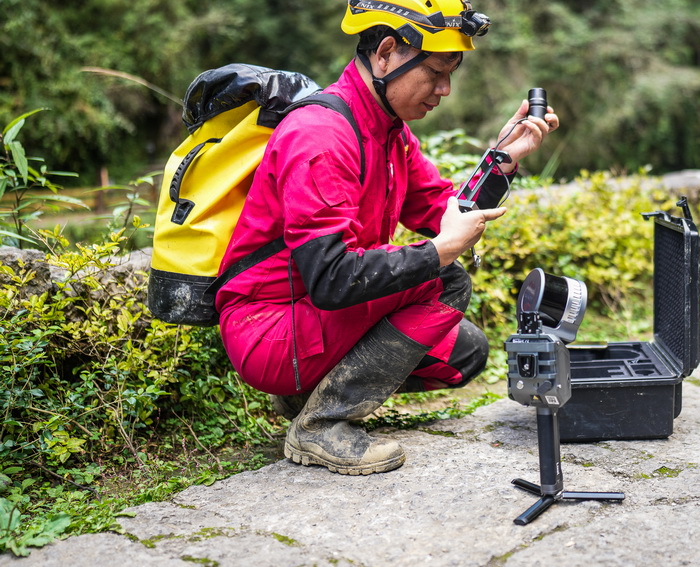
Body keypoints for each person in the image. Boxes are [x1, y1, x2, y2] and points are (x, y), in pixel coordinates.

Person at [214, 0, 558, 476]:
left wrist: (501, 160)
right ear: (387, 53)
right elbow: (332, 279)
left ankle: (304, 395)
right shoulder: (320, 134)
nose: (445, 89)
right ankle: (320, 424)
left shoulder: (388, 132)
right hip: (271, 328)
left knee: (466, 353)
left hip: (316, 317)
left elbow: (443, 210)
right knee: (447, 282)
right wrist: (438, 254)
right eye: (437, 71)